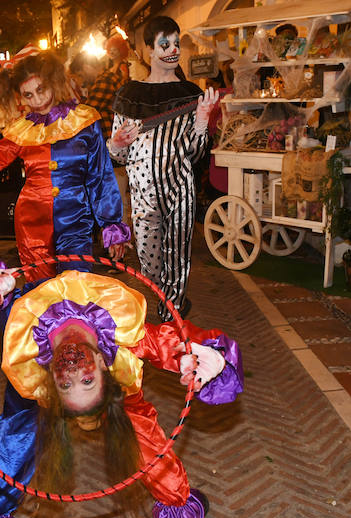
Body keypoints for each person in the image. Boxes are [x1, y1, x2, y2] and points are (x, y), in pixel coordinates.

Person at [0, 251, 243, 518]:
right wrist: (211, 358)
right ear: (101, 364)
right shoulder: (122, 332)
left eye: (66, 384)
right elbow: (173, 342)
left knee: (25, 429)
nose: (71, 373)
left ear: (52, 384)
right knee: (23, 433)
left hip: (33, 367)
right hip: (69, 360)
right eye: (87, 381)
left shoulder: (25, 334)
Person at [0, 51, 130, 282]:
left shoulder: (85, 121)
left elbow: (100, 177)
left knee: (77, 287)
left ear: (54, 83)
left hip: (76, 220)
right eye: (28, 95)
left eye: (41, 90)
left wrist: (112, 225)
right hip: (31, 224)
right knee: (41, 291)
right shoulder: (21, 129)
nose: (37, 101)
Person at [109, 16, 219, 321]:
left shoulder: (190, 94)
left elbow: (196, 153)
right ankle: (163, 296)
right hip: (143, 193)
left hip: (180, 187)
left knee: (178, 256)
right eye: (164, 44)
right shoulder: (129, 96)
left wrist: (202, 119)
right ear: (148, 50)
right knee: (149, 261)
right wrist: (117, 142)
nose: (172, 50)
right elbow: (117, 155)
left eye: (175, 42)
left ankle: (171, 315)